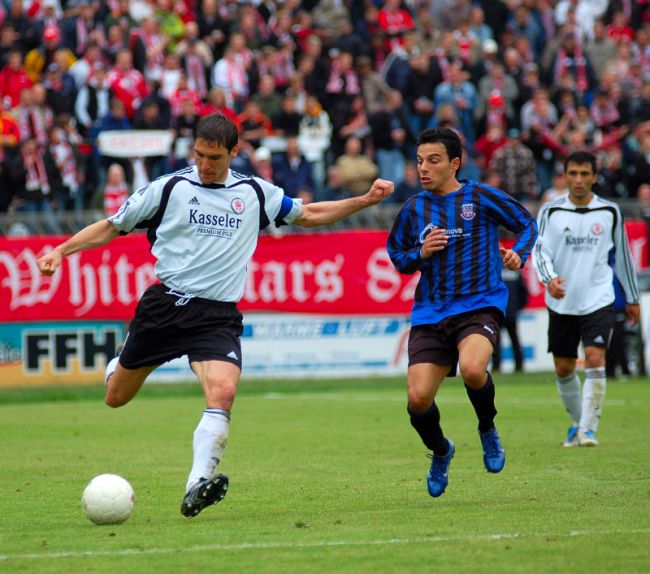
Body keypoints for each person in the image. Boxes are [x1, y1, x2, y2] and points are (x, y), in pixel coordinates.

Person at [37, 113, 393, 519]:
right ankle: (120, 363)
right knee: (116, 397)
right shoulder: (169, 188)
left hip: (217, 316)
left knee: (223, 391)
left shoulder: (254, 192)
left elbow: (308, 214)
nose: (205, 165)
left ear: (234, 152)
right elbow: (111, 226)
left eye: (215, 157)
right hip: (165, 308)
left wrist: (364, 201)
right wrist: (60, 251)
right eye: (199, 155)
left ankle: (196, 484)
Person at [386, 127, 538, 498]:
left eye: (433, 160)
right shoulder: (414, 208)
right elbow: (398, 257)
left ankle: (487, 427)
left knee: (472, 369)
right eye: (420, 161)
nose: (424, 168)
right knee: (418, 400)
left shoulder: (481, 197)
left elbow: (527, 223)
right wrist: (420, 253)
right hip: (431, 312)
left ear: (455, 163)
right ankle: (442, 450)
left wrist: (519, 253)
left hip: (479, 304)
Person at [532, 151, 640, 448]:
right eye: (573, 173)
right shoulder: (550, 211)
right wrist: (550, 279)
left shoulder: (609, 211)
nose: (578, 180)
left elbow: (623, 258)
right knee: (564, 368)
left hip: (598, 298)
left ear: (594, 177)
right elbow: (540, 252)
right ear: (565, 176)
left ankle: (588, 430)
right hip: (562, 301)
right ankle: (578, 424)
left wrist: (632, 298)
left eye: (584, 174)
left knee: (594, 358)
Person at [492, 265, 528, 373]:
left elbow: (523, 292)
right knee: (513, 340)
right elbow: (524, 292)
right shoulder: (514, 271)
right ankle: (518, 365)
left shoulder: (493, 270)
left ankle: (497, 366)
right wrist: (517, 307)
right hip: (508, 312)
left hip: (498, 312)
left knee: (498, 341)